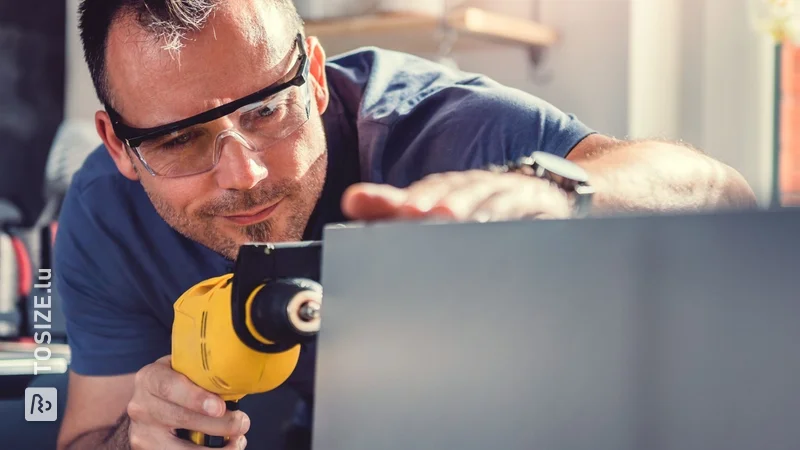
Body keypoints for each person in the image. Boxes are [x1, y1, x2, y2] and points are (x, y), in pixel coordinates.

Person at [54, 0, 757, 449]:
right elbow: (88, 434)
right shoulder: (103, 217)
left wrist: (548, 191)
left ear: (317, 78)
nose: (246, 175)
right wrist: (137, 436)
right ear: (119, 145)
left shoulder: (441, 130)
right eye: (179, 141)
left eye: (266, 110)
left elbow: (720, 193)